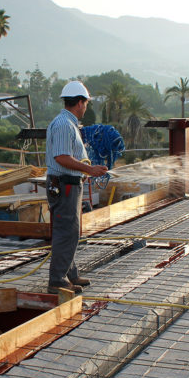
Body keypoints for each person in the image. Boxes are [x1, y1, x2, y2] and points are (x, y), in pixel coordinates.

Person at [45, 81, 108, 294]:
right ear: (80, 102)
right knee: (67, 232)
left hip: (69, 185)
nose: (86, 107)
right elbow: (62, 157)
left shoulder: (68, 123)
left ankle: (69, 274)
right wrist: (89, 170)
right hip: (65, 186)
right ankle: (57, 281)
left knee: (71, 231)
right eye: (86, 103)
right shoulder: (64, 124)